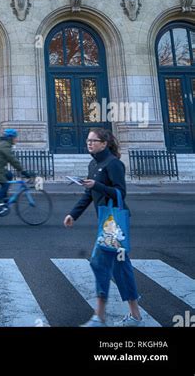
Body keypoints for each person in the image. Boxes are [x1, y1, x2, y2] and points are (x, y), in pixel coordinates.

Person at [63, 128, 143, 327]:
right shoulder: (94, 163)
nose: (89, 144)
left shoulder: (114, 164)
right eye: (88, 140)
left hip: (114, 223)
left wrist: (96, 186)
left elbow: (120, 193)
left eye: (93, 140)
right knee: (121, 267)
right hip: (105, 221)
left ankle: (99, 317)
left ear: (104, 143)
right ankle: (135, 317)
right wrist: (73, 214)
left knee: (99, 263)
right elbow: (88, 195)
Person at [0, 129, 31, 214]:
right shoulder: (5, 145)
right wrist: (23, 171)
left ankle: (4, 198)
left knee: (9, 175)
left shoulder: (4, 144)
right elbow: (12, 159)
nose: (16, 139)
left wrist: (19, 169)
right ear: (11, 138)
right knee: (5, 184)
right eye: (15, 137)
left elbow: (11, 159)